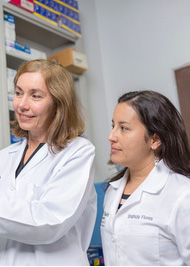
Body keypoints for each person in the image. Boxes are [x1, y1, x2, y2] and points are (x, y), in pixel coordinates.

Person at [0, 59, 97, 266]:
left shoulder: (78, 152)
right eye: (18, 93)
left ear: (58, 104)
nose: (22, 105)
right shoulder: (6, 156)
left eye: (35, 96)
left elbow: (50, 222)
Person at [101, 90, 190, 266]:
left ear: (154, 140)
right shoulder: (113, 190)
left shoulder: (182, 195)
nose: (111, 137)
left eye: (124, 128)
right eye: (113, 126)